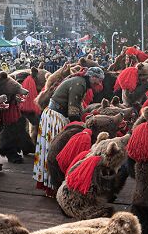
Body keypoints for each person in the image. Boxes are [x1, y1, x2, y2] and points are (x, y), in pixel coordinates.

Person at [33, 67, 105, 197]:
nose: (99, 83)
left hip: (55, 115)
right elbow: (73, 111)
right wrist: (82, 127)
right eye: (98, 80)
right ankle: (54, 185)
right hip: (55, 117)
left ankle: (52, 184)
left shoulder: (80, 82)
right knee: (55, 150)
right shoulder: (79, 84)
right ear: (92, 77)